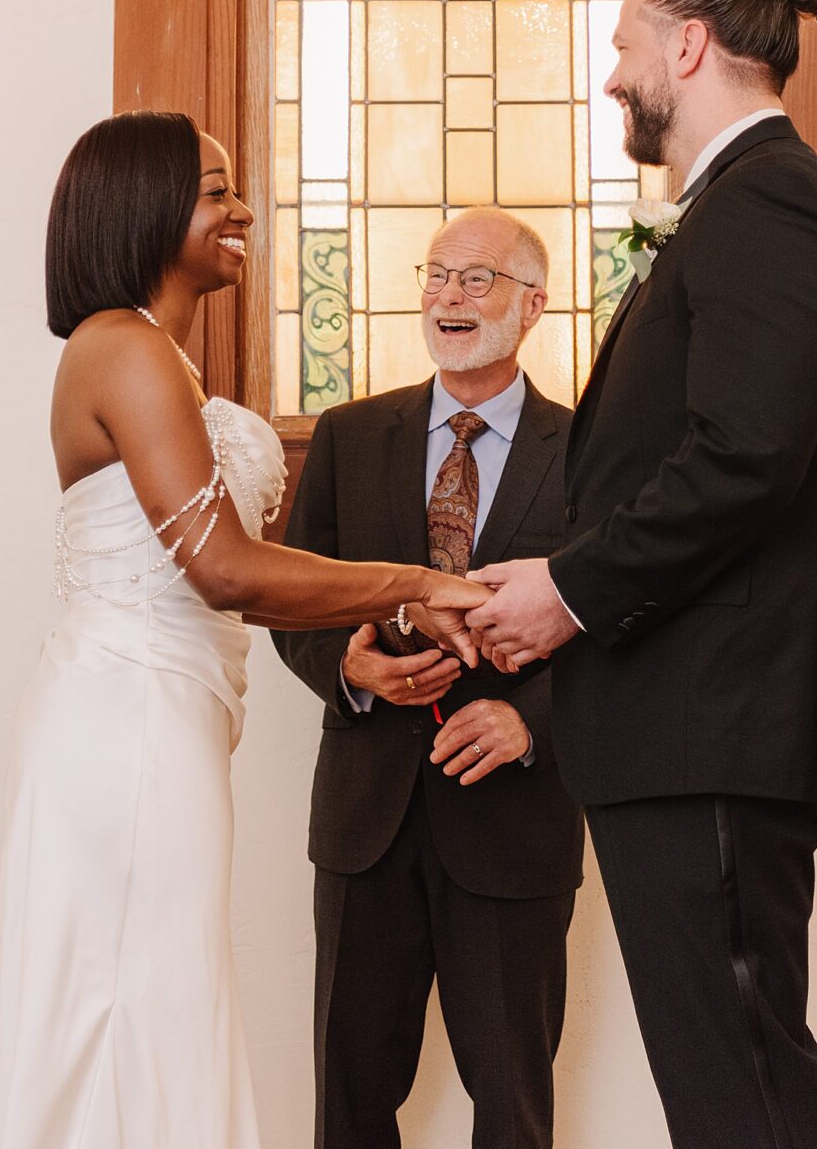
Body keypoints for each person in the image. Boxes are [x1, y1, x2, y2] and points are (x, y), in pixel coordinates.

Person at [0, 112, 484, 1149]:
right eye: (214, 189)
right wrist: (415, 583)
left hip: (158, 712)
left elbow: (246, 569)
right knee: (133, 996)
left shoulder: (159, 360)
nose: (242, 210)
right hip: (128, 717)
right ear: (145, 204)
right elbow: (227, 566)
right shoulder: (121, 346)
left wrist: (364, 630)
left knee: (147, 989)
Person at [467, 0, 817, 1149]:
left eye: (624, 45)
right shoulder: (747, 204)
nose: (614, 75)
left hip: (715, 720)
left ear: (689, 43)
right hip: (692, 719)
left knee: (739, 1085)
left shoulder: (773, 204)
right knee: (727, 1084)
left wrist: (572, 589)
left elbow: (746, 453)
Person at [273, 207, 583, 1149]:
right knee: (350, 1099)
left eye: (476, 278)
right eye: (437, 274)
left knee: (514, 1104)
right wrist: (351, 668)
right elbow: (294, 599)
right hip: (364, 820)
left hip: (513, 822)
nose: (448, 295)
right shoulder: (349, 433)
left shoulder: (591, 453)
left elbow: (632, 631)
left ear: (533, 305)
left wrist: (537, 727)